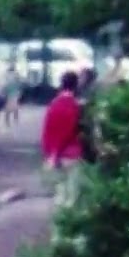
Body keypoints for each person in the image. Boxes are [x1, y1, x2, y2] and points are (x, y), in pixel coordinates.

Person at [41, 71, 84, 207]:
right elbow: (70, 130)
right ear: (76, 85)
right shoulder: (75, 106)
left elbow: (48, 130)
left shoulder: (54, 104)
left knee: (60, 194)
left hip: (55, 155)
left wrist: (50, 153)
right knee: (72, 196)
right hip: (72, 152)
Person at [2, 64, 23, 129]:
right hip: (14, 93)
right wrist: (20, 92)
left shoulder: (7, 75)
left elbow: (4, 85)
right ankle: (14, 121)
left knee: (8, 109)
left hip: (10, 93)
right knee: (14, 108)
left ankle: (8, 122)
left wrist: (3, 92)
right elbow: (19, 84)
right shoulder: (16, 74)